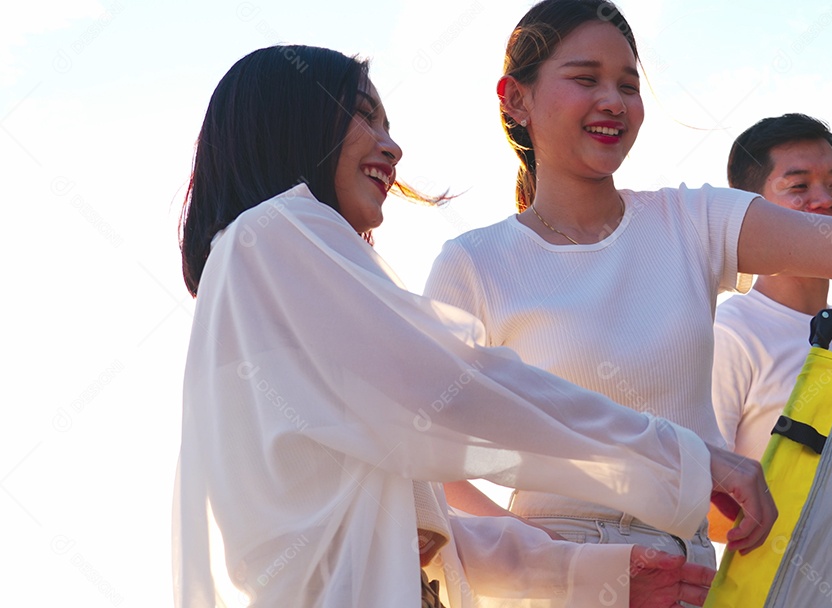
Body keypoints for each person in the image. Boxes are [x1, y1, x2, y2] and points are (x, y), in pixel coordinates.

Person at [423, 0, 832, 571]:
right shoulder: (473, 262)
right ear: (516, 97)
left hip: (688, 567)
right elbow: (424, 444)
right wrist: (538, 552)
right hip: (558, 566)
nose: (614, 102)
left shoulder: (690, 219)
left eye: (628, 84)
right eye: (585, 79)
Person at [173, 44, 777, 608]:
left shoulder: (254, 276)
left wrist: (601, 577)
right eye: (363, 116)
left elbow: (415, 531)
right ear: (288, 124)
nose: (392, 147)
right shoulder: (272, 237)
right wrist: (686, 457)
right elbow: (459, 386)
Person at [712, 113, 832, 463]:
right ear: (746, 208)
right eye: (799, 187)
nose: (825, 201)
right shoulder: (728, 334)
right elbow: (703, 488)